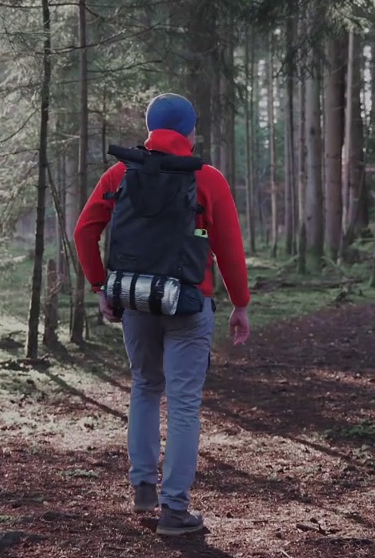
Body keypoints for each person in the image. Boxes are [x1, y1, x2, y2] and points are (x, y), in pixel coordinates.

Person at [73, 92, 251, 536]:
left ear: (149, 130)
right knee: (184, 403)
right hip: (189, 304)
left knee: (146, 387)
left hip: (134, 301)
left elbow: (84, 231)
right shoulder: (206, 178)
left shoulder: (119, 172)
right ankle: (174, 511)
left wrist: (101, 287)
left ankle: (142, 490)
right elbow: (228, 247)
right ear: (191, 133)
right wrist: (241, 303)